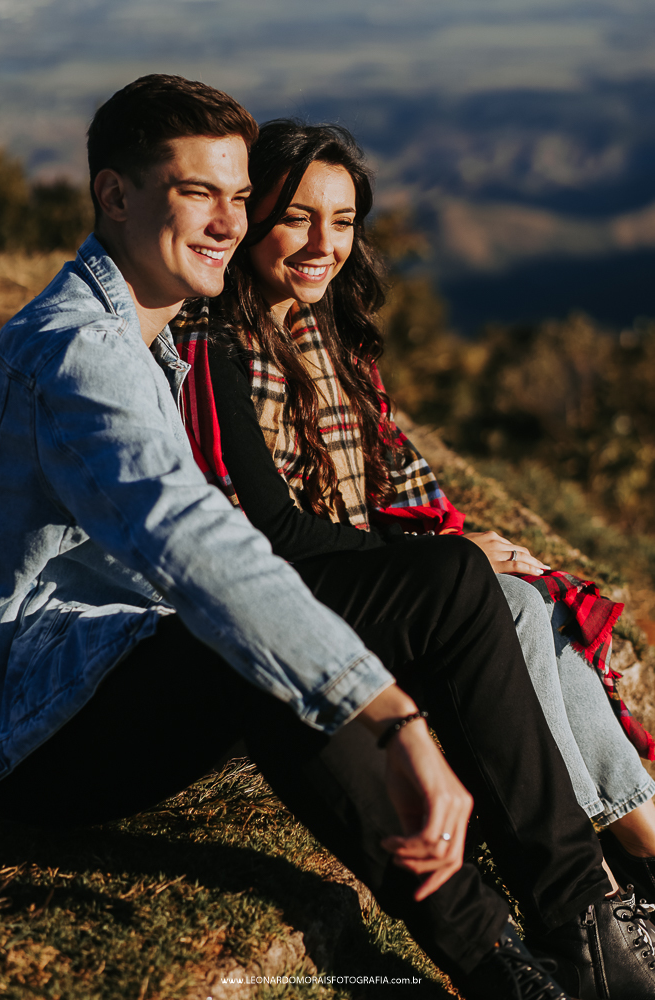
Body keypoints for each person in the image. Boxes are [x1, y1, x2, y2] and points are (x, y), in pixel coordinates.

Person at [0, 76, 648, 1000]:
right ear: (114, 195)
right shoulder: (81, 351)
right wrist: (392, 717)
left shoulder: (154, 335)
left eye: (236, 196)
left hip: (117, 669)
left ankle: (572, 935)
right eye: (198, 194)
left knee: (445, 583)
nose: (227, 222)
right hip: (37, 727)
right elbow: (192, 539)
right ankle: (513, 960)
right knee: (254, 638)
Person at [168, 116, 655, 996]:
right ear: (249, 223)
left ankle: (631, 865)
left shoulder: (328, 344)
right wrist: (454, 555)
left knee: (528, 600)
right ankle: (612, 891)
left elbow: (393, 492)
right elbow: (267, 533)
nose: (325, 245)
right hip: (284, 623)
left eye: (344, 220)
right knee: (493, 597)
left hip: (359, 587)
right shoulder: (217, 349)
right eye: (297, 218)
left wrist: (457, 544)